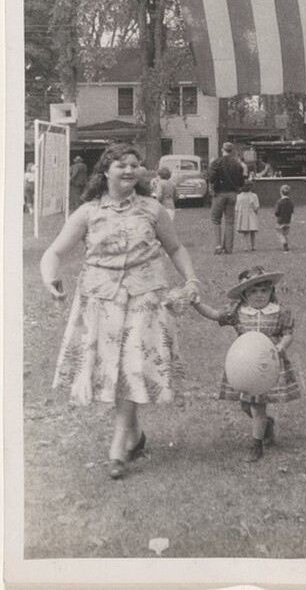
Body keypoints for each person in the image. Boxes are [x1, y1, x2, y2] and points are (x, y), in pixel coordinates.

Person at [39, 142, 200, 480]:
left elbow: (175, 247)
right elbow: (53, 252)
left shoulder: (152, 209)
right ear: (105, 171)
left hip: (145, 297)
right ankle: (136, 436)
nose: (129, 170)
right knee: (115, 370)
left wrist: (191, 279)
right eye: (120, 165)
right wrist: (50, 278)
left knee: (133, 366)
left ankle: (118, 448)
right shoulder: (88, 212)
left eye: (134, 164)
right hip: (101, 300)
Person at [191, 265, 300, 462]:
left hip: (266, 366)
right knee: (245, 405)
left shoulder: (278, 312)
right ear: (244, 294)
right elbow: (215, 314)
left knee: (258, 406)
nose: (259, 296)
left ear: (271, 291)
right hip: (244, 365)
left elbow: (287, 333)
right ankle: (266, 424)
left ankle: (256, 445)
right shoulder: (238, 312)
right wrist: (197, 304)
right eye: (253, 291)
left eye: (264, 290)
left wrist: (282, 345)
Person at [209, 142, 246, 255]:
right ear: (232, 151)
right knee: (230, 221)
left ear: (222, 150)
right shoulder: (237, 164)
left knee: (216, 220)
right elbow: (241, 181)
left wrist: (213, 187)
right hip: (232, 194)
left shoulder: (217, 162)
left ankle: (218, 246)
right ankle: (228, 248)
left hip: (220, 193)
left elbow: (211, 178)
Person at [235, 179, 261, 252]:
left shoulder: (239, 196)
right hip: (251, 214)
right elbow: (256, 206)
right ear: (251, 187)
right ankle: (253, 246)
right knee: (252, 231)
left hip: (243, 214)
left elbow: (237, 208)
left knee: (245, 232)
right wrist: (256, 211)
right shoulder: (254, 196)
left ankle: (245, 247)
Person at [274, 184, 294, 251]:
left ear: (281, 192)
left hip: (280, 220)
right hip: (288, 220)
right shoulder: (291, 202)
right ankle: (286, 245)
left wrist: (277, 215)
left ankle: (284, 242)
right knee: (286, 234)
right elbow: (291, 211)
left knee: (279, 233)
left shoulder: (279, 202)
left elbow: (277, 212)